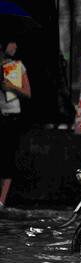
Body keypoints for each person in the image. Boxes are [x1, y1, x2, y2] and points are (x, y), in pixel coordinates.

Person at [0, 39, 31, 208]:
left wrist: (12, 87)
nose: (15, 46)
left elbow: (27, 92)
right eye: (12, 43)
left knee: (8, 157)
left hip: (11, 115)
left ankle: (1, 200)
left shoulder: (17, 66)